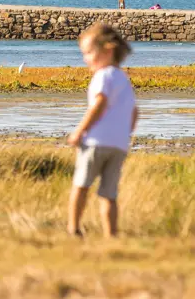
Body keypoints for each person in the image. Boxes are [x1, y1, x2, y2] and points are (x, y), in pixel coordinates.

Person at [66, 23, 138, 238]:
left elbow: (99, 104)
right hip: (118, 145)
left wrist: (80, 130)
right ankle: (111, 234)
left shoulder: (103, 76)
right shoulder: (124, 80)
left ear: (107, 50)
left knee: (81, 185)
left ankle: (74, 228)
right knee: (109, 194)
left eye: (88, 53)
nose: (85, 59)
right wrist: (125, 135)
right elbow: (134, 113)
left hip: (96, 142)